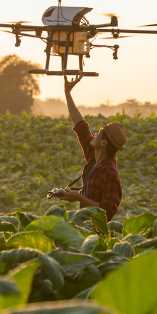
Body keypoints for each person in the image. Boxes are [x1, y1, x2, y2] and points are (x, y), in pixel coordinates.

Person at [46, 76, 127, 220]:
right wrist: (67, 93)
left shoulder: (110, 173)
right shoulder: (93, 155)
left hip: (95, 230)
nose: (95, 134)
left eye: (100, 133)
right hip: (81, 222)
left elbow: (107, 212)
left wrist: (79, 197)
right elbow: (81, 125)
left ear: (103, 143)